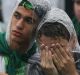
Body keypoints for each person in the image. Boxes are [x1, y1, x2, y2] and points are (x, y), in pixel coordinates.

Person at [0, 0, 51, 75]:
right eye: (17, 16)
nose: (19, 25)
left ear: (38, 29)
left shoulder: (41, 64)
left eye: (29, 21)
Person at [36, 8, 80, 75]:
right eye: (47, 50)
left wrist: (72, 73)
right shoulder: (35, 67)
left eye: (59, 49)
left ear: (73, 41)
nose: (53, 57)